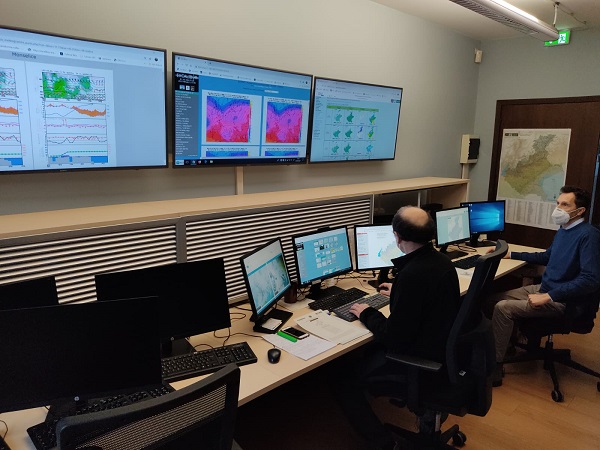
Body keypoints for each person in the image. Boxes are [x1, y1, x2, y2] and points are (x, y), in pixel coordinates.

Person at [331, 206, 461, 450]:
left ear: (397, 237)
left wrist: (366, 312)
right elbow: (428, 301)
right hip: (442, 353)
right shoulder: (441, 262)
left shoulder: (412, 274)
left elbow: (393, 338)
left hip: (419, 360)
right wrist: (398, 292)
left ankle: (384, 443)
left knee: (342, 379)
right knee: (363, 355)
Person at [489, 185, 600, 387]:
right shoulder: (564, 229)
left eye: (565, 205)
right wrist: (511, 254)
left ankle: (494, 365)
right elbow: (547, 256)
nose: (558, 209)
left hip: (564, 301)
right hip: (545, 289)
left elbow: (590, 279)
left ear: (580, 211)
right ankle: (508, 343)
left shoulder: (588, 235)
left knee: (502, 308)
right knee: (491, 299)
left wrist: (549, 296)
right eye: (557, 203)